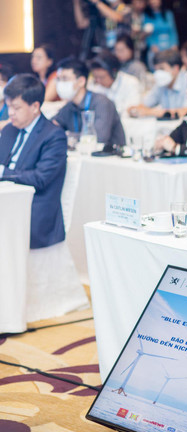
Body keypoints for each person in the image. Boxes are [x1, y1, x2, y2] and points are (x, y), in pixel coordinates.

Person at [0, 73, 88, 322]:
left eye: (16, 108)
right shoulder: (10, 131)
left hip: (36, 208)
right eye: (8, 106)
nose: (10, 113)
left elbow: (41, 178)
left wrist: (4, 173)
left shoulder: (53, 135)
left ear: (35, 106)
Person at [52, 57, 126, 153]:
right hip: (82, 155)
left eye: (65, 78)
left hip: (110, 157)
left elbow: (98, 138)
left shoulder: (102, 103)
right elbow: (51, 127)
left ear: (81, 81)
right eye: (58, 79)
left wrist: (69, 135)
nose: (60, 83)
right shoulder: (69, 106)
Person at [129, 49, 187, 118]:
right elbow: (142, 106)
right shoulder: (160, 84)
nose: (158, 73)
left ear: (176, 68)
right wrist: (136, 110)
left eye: (162, 69)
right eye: (156, 70)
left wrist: (151, 112)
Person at [143, 0, 179, 68]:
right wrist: (152, 45)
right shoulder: (146, 15)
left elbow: (173, 31)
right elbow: (147, 34)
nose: (153, 1)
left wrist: (174, 44)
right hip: (155, 47)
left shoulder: (168, 14)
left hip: (169, 45)